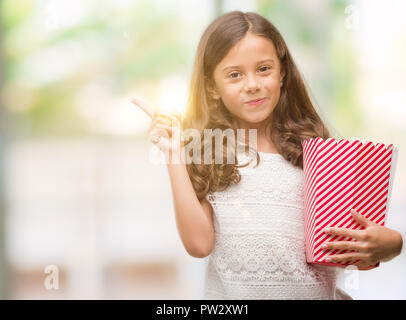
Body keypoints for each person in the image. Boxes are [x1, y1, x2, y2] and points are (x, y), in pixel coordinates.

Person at [135, 11, 403, 299]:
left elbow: (346, 251)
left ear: (282, 72)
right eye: (235, 75)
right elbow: (199, 245)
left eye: (264, 69)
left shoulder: (315, 152)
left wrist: (392, 244)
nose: (252, 84)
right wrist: (174, 155)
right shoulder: (209, 153)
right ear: (213, 87)